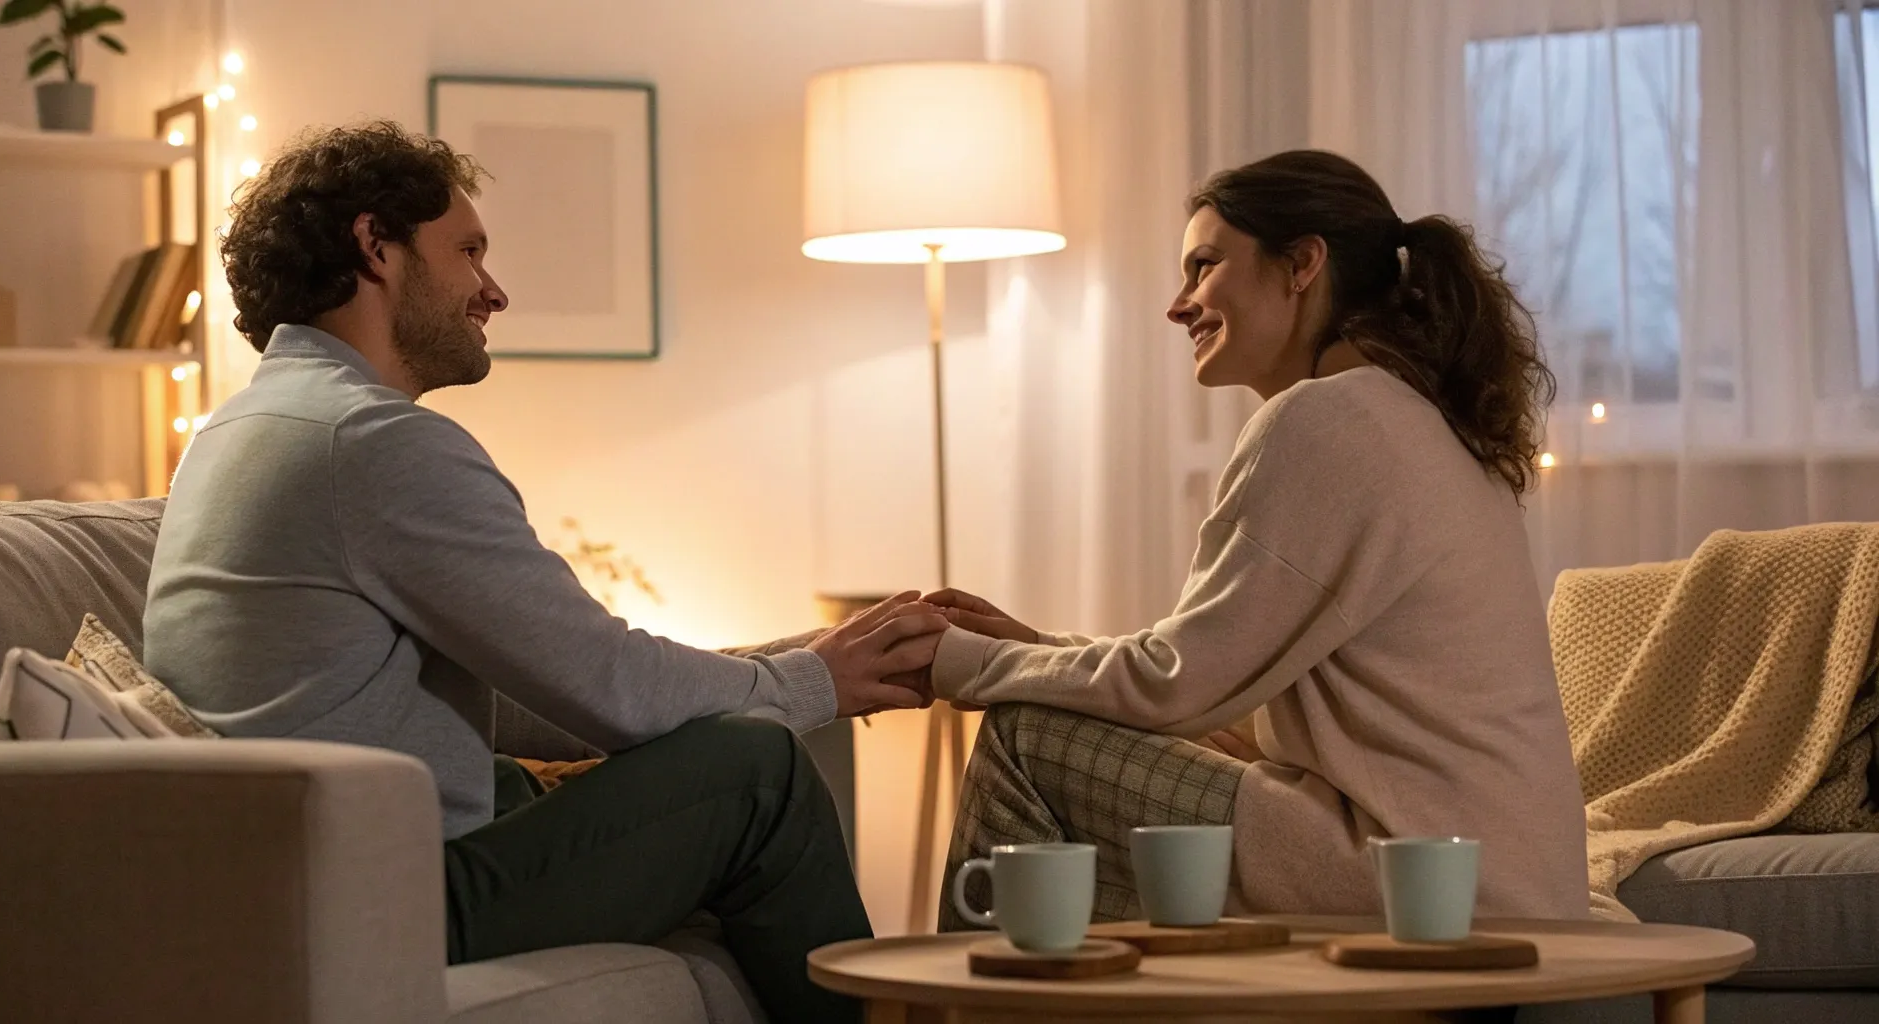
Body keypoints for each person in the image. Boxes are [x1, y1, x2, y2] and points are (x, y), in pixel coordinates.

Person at [142, 121, 945, 1023]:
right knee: (756, 772)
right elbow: (607, 686)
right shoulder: (369, 441)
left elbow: (539, 685)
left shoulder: (236, 432)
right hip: (382, 899)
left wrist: (799, 659)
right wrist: (809, 685)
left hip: (295, 880)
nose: (494, 291)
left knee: (574, 776)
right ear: (376, 247)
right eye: (469, 253)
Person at [927, 150, 1589, 928]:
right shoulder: (1411, 419)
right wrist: (1036, 651)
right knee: (1084, 757)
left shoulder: (1327, 421)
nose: (1178, 306)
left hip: (1433, 879)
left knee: (1026, 739)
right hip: (1501, 878)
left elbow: (1176, 683)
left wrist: (960, 664)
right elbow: (1218, 694)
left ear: (1302, 263)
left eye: (1202, 266)